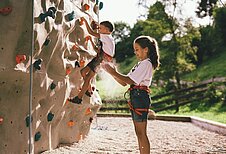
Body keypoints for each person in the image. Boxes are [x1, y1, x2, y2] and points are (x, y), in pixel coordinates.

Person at [104, 35, 160, 154]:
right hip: (136, 96)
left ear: (146, 49)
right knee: (138, 132)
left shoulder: (146, 64)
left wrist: (113, 72)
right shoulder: (140, 64)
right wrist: (112, 73)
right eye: (134, 50)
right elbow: (124, 82)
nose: (135, 52)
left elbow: (129, 80)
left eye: (137, 49)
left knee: (141, 133)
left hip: (140, 97)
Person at [68, 17, 115, 104]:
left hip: (102, 59)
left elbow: (91, 32)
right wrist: (90, 41)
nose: (99, 29)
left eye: (100, 28)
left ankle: (79, 97)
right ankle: (88, 89)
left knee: (88, 78)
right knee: (83, 72)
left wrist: (85, 21)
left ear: (107, 30)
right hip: (100, 58)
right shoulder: (108, 38)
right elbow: (97, 50)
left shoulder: (106, 36)